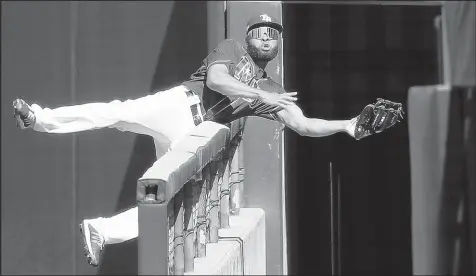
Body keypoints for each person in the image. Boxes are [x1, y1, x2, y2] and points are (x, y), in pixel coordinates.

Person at [13, 14, 379, 267]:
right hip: (178, 106)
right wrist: (261, 98)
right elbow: (218, 80)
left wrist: (347, 125)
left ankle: (102, 230)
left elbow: (302, 125)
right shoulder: (232, 49)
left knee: (164, 203)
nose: (268, 36)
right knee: (116, 112)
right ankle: (39, 118)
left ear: (278, 46)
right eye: (261, 31)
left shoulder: (272, 89)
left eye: (274, 35)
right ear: (249, 37)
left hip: (192, 135)